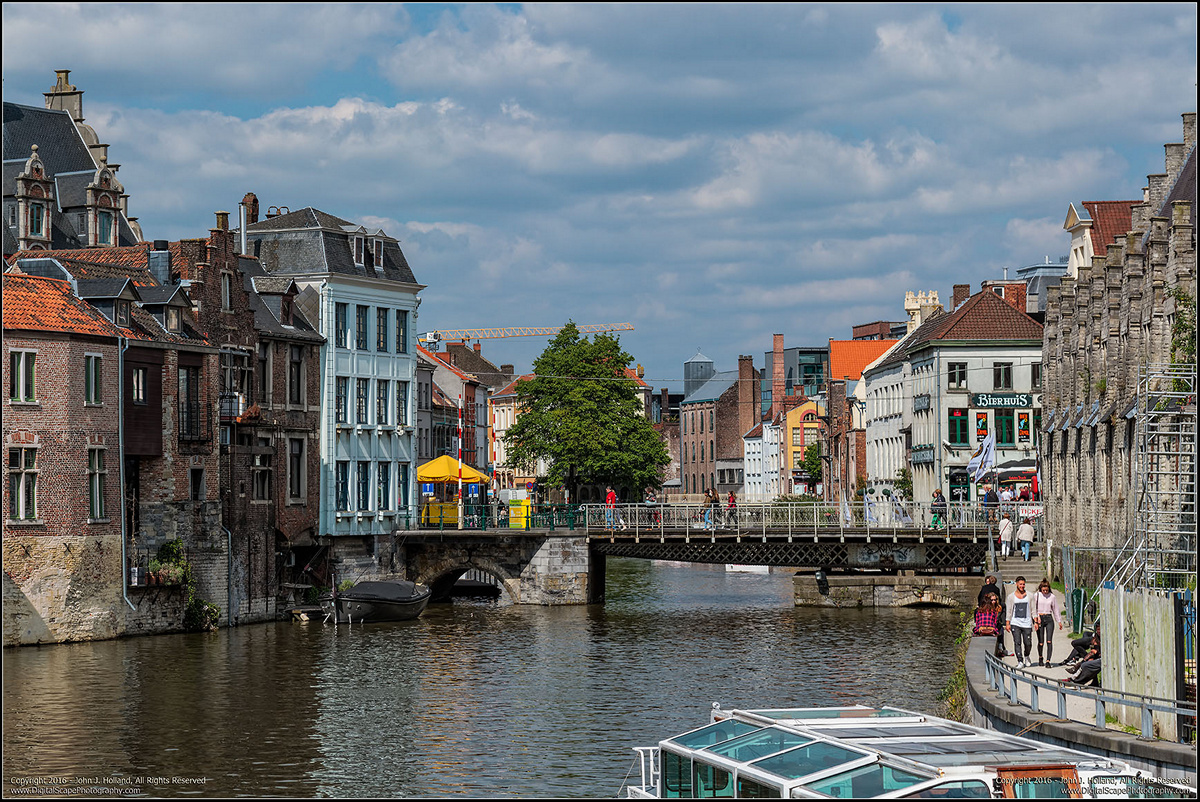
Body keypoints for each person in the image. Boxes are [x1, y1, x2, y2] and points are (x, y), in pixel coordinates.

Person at [1032, 579, 1064, 667]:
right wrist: (1036, 618)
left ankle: (1048, 661)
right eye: (1043, 590)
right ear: (1040, 589)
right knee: (1041, 642)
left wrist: (1059, 621)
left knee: (1049, 641)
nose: (1045, 592)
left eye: (1046, 590)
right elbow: (1033, 608)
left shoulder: (1052, 597)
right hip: (1039, 619)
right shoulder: (1037, 595)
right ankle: (1040, 657)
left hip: (1049, 618)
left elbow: (1056, 609)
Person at [1005, 576, 1034, 668]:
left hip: (1027, 622)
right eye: (1020, 584)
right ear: (1016, 584)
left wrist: (1036, 620)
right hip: (1015, 622)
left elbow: (1033, 609)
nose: (1022, 586)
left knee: (1028, 643)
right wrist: (1007, 623)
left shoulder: (1030, 595)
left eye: (1023, 584)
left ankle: (1027, 655)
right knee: (1017, 642)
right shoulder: (1011, 597)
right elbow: (1009, 610)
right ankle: (1020, 661)